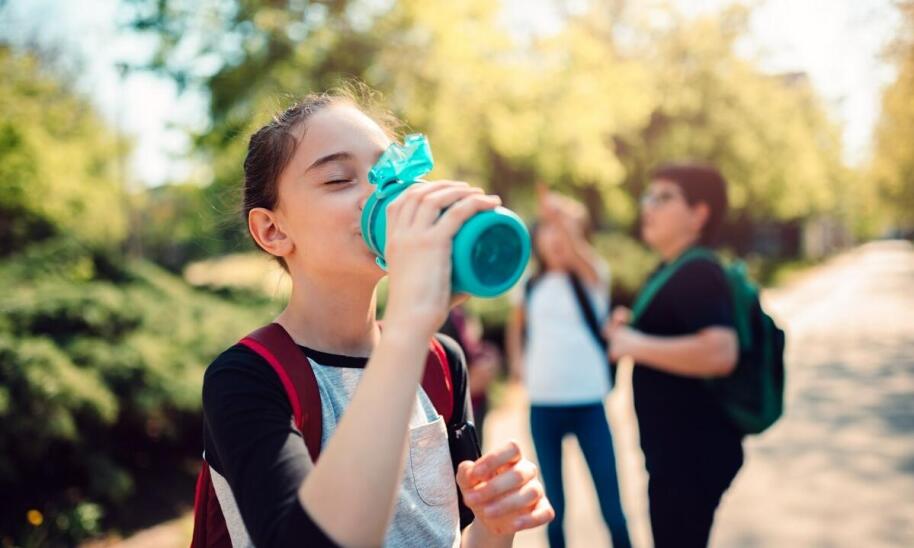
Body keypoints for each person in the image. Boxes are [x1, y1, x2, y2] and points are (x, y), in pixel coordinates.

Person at [200, 90, 554, 547]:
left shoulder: (440, 361)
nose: (381, 195)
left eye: (390, 173)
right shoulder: (246, 379)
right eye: (338, 179)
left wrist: (494, 525)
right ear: (273, 230)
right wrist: (409, 325)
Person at [604, 164, 742, 548]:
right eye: (648, 196)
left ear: (699, 214)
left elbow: (720, 351)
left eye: (664, 197)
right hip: (677, 456)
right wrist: (631, 326)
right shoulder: (673, 268)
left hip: (689, 459)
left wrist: (632, 343)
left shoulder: (696, 271)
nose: (649, 206)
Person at [505, 187, 631, 548]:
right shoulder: (529, 285)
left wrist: (562, 221)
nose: (558, 237)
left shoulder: (593, 276)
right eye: (549, 228)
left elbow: (578, 251)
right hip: (543, 406)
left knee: (612, 507)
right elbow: (517, 328)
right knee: (554, 508)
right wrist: (517, 364)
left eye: (566, 230)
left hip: (589, 404)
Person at [439, 305, 500, 447]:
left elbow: (471, 347)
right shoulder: (442, 316)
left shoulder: (461, 312)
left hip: (475, 404)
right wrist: (466, 385)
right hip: (457, 412)